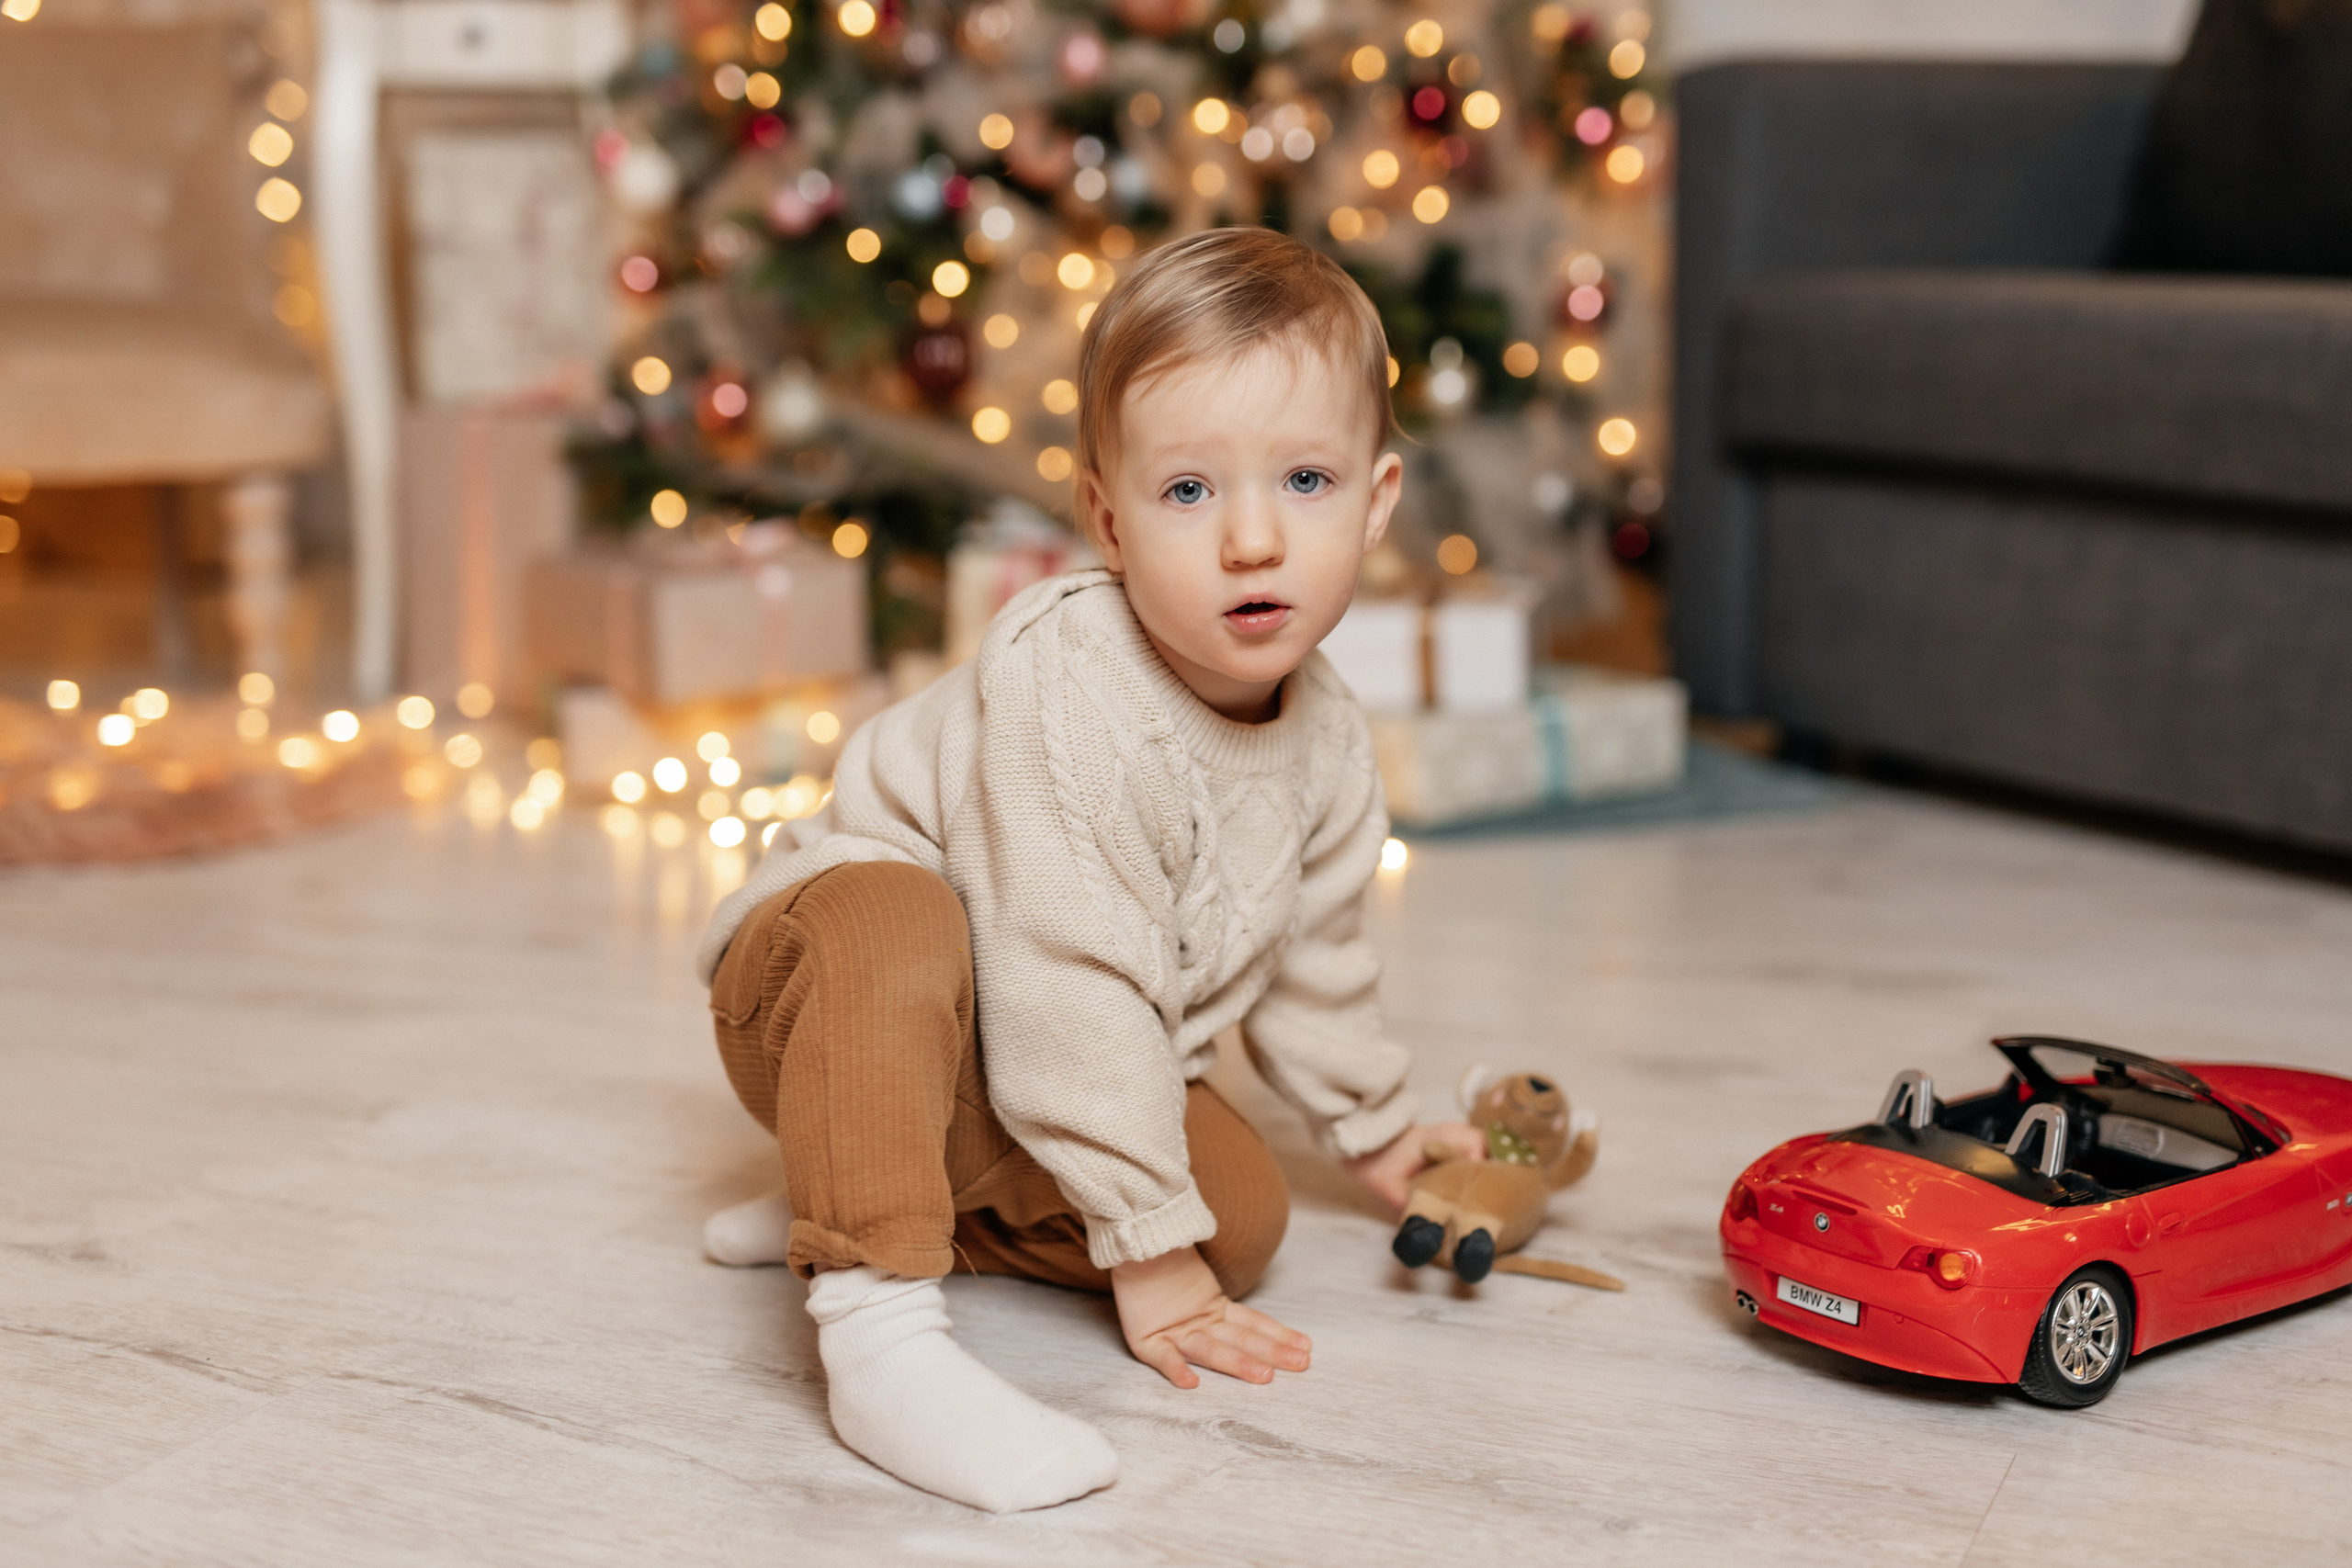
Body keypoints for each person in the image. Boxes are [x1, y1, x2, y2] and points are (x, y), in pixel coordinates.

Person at [695, 226, 1485, 1514]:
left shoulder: (1329, 735)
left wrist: (1379, 1130)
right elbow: (1068, 985)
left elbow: (1312, 957)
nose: (1249, 540)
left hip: (999, 1063)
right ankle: (879, 1332)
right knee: (901, 920)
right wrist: (1144, 1263)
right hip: (819, 986)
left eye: (1303, 480)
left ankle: (862, 1183)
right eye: (1188, 492)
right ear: (1108, 522)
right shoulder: (1076, 684)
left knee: (1232, 1216)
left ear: (1377, 502)